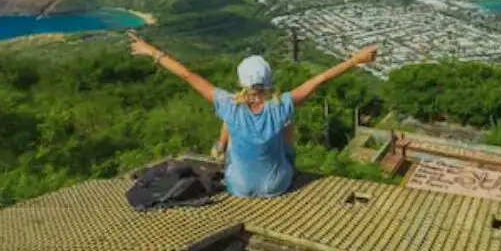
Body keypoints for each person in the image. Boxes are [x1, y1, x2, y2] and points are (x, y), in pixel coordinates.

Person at [128, 31, 379, 198]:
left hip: (239, 187)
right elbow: (321, 79)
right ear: (269, 81)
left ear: (240, 80)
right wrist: (355, 59)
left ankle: (221, 149)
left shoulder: (228, 104)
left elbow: (186, 74)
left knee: (231, 118)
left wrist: (152, 51)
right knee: (288, 122)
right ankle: (283, 162)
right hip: (277, 185)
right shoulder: (281, 105)